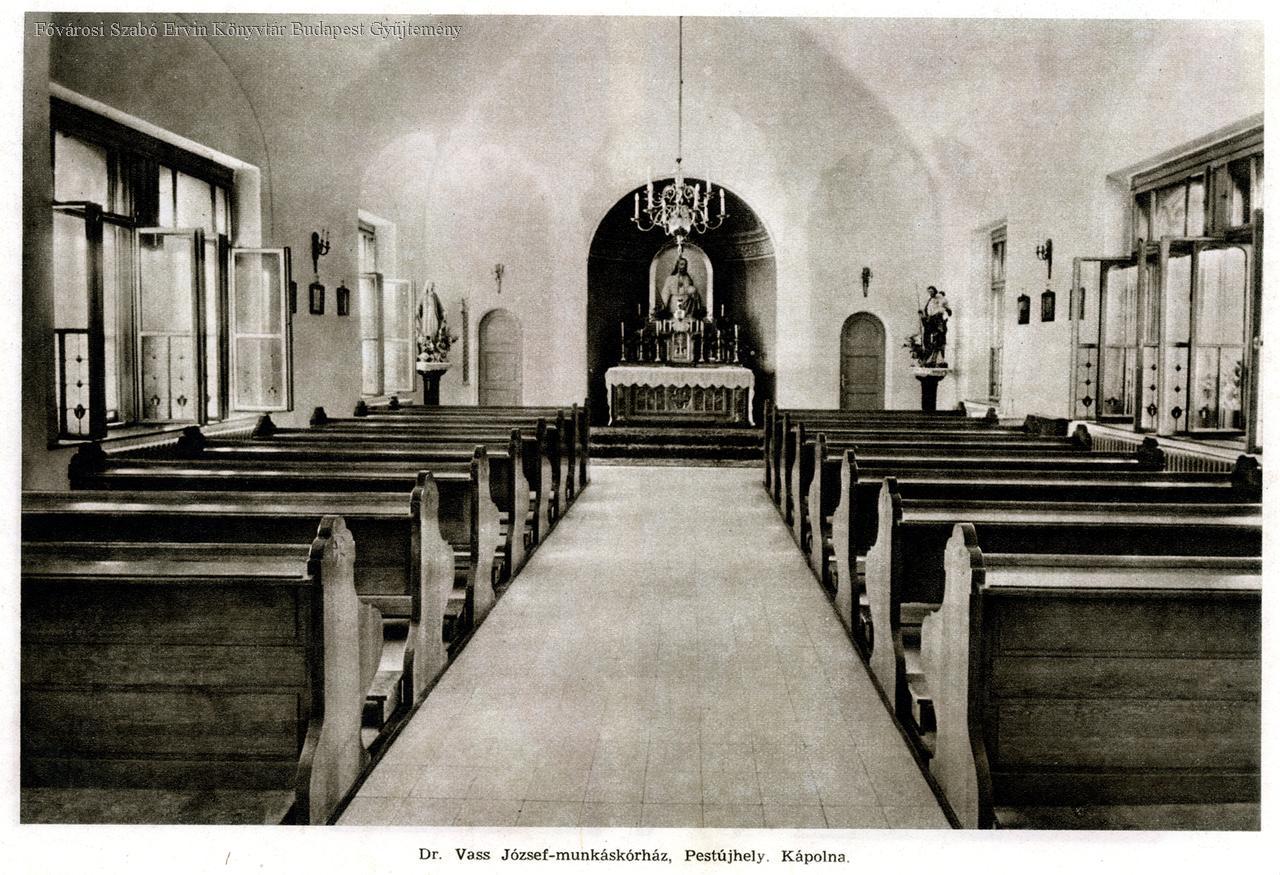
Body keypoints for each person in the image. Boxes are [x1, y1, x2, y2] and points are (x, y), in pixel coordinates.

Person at [656, 256, 705, 320]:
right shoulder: (670, 278)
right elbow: (665, 292)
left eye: (685, 265)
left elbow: (693, 293)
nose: (683, 266)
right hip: (674, 305)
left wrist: (694, 294)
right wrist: (664, 305)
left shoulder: (688, 279)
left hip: (687, 305)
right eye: (681, 264)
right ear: (677, 265)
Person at [920, 285, 952, 366]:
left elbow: (945, 308)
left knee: (938, 338)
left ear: (935, 291)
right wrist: (924, 316)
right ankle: (928, 357)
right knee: (928, 338)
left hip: (937, 319)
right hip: (930, 320)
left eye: (932, 291)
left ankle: (937, 359)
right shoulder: (930, 300)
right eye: (929, 292)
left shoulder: (940, 298)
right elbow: (927, 310)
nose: (930, 293)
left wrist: (944, 312)